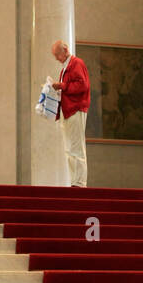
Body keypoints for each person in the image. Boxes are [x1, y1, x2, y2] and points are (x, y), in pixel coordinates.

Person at [51, 40, 90, 187]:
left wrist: (62, 85)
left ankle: (80, 182)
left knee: (76, 147)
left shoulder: (76, 63)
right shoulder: (65, 68)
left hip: (76, 108)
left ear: (65, 50)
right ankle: (75, 180)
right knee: (69, 148)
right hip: (67, 110)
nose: (56, 58)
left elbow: (82, 85)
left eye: (57, 55)